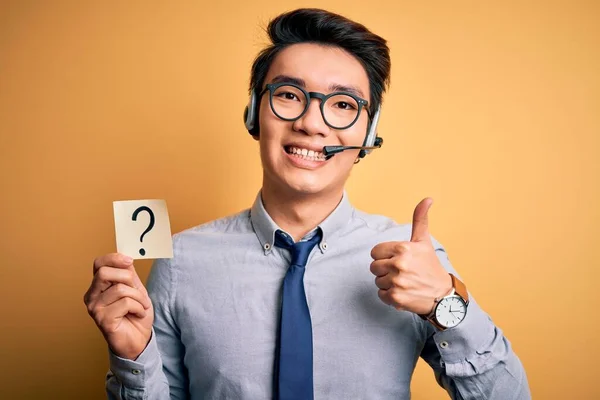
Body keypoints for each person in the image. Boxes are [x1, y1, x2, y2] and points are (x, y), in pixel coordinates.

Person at [84, 8, 531, 400]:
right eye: (289, 96)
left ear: (367, 136)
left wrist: (445, 305)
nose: (311, 123)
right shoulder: (180, 262)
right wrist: (132, 357)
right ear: (253, 113)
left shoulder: (414, 260)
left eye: (342, 105)